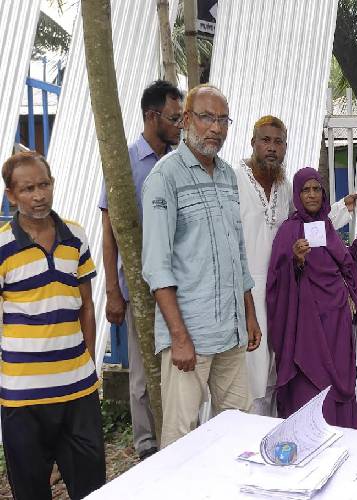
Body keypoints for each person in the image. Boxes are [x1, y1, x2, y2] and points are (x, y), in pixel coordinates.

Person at [141, 84, 262, 448]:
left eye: (223, 120)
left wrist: (250, 315)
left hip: (230, 332)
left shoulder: (227, 175)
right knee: (181, 441)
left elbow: (237, 253)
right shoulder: (165, 177)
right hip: (189, 340)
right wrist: (179, 338)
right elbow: (156, 268)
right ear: (187, 119)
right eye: (207, 117)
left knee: (239, 432)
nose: (217, 128)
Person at [235, 115, 357, 416]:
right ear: (253, 143)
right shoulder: (234, 182)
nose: (271, 148)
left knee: (274, 373)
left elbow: (311, 225)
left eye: (278, 142)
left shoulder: (284, 189)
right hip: (246, 295)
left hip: (285, 297)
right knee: (246, 377)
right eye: (265, 140)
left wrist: (342, 208)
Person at [0, 152, 106, 499]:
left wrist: (87, 364)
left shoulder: (74, 236)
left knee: (91, 489)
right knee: (30, 491)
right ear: (12, 195)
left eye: (44, 184)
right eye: (28, 188)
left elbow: (87, 305)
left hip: (78, 392)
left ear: (53, 184)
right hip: (23, 398)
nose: (39, 195)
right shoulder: (2, 245)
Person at [99, 79, 183, 459]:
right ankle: (147, 446)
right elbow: (109, 231)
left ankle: (178, 436)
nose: (180, 125)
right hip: (140, 287)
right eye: (174, 117)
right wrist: (113, 292)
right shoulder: (125, 161)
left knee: (178, 363)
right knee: (142, 373)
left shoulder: (179, 162)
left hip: (179, 284)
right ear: (152, 117)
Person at [266, 168, 357, 427]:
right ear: (297, 194)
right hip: (307, 326)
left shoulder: (325, 226)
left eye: (317, 189)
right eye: (306, 190)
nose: (312, 195)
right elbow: (277, 280)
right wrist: (296, 260)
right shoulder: (288, 231)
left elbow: (340, 261)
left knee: (340, 385)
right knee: (311, 385)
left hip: (336, 322)